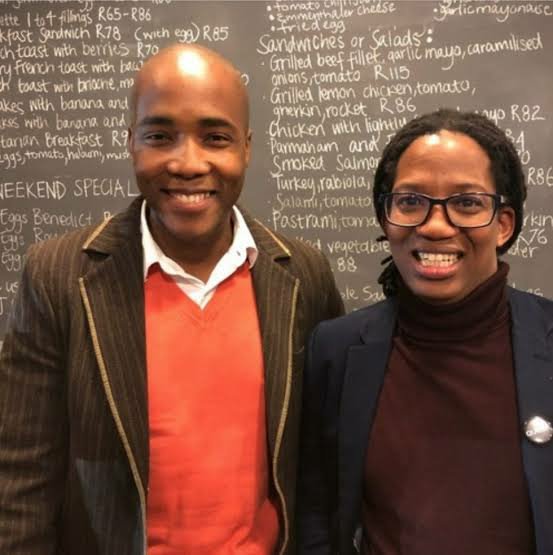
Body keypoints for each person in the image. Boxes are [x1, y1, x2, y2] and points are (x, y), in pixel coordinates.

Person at [0, 44, 344, 555]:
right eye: (160, 137)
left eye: (215, 138)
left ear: (247, 147)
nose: (187, 163)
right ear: (131, 142)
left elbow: (324, 460)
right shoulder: (58, 277)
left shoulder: (303, 276)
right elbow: (20, 479)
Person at [298, 108, 553, 554]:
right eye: (411, 201)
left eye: (467, 203)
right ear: (386, 217)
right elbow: (317, 511)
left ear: (504, 224)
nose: (435, 226)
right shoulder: (336, 350)